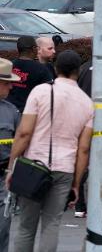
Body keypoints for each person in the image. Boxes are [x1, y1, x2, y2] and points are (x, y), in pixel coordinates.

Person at [6, 50, 93, 252]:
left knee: (26, 226)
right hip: (65, 169)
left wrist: (12, 166)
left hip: (34, 165)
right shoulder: (88, 104)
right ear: (77, 72)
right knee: (52, 224)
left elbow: (24, 133)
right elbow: (84, 149)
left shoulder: (40, 92)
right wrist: (77, 184)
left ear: (55, 69)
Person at [0, 58, 20, 252]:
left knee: (2, 228)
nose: (11, 88)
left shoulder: (11, 111)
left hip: (2, 177)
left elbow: (20, 141)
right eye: (7, 83)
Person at [7, 36, 52, 112]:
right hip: (30, 113)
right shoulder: (42, 69)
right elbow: (48, 94)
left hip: (8, 111)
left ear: (18, 49)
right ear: (34, 49)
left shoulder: (9, 66)